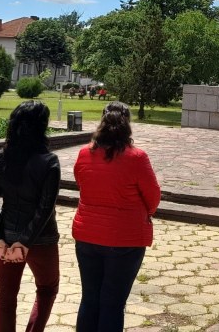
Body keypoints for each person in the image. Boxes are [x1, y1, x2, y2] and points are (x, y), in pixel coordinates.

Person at [72, 101, 161, 332]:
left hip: (88, 235)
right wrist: (145, 213)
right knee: (112, 303)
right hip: (125, 238)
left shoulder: (84, 154)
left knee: (90, 300)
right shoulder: (137, 157)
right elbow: (152, 197)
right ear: (127, 124)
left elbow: (82, 184)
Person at [0, 101, 61, 332]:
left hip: (7, 236)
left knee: (6, 294)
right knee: (47, 289)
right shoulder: (49, 162)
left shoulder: (1, 158)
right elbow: (45, 209)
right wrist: (24, 242)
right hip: (41, 239)